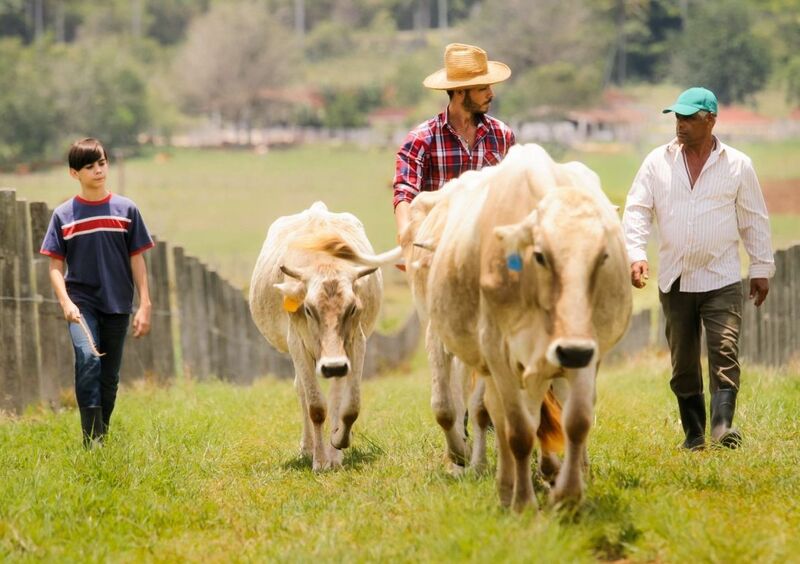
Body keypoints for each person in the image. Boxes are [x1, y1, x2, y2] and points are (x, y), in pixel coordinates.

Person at [622, 87, 775, 451]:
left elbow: (754, 219)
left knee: (724, 350)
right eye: (677, 117)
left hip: (720, 277)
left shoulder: (738, 165)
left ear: (711, 120)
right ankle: (694, 436)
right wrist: (635, 253)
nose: (681, 125)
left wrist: (760, 268)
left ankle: (722, 428)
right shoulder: (657, 162)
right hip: (675, 279)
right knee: (684, 364)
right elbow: (637, 210)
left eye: (690, 118)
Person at [40, 138, 154, 448]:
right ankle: (91, 443)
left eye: (101, 162)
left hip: (118, 303)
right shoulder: (64, 215)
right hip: (81, 304)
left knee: (109, 377)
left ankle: (100, 435)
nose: (98, 170)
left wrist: (144, 304)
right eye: (89, 166)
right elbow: (54, 266)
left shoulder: (127, 210)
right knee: (88, 359)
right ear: (74, 173)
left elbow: (137, 260)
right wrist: (66, 302)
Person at [393, 43, 515, 239]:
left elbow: (513, 192)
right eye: (482, 88)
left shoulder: (502, 135)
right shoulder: (421, 140)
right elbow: (405, 192)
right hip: (436, 243)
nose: (491, 94)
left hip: (487, 243)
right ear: (459, 91)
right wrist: (406, 236)